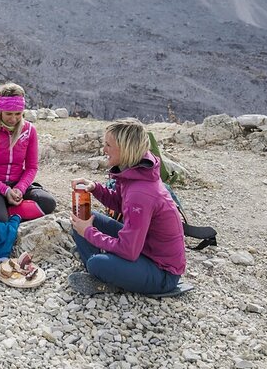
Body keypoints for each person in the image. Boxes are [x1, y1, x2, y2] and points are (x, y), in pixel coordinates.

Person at [69, 118, 187, 296]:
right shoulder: (136, 172)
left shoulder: (141, 193)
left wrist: (89, 233)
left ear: (124, 149)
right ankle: (106, 271)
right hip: (144, 249)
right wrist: (95, 188)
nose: (104, 150)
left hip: (162, 273)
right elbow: (120, 203)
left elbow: (129, 251)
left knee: (96, 261)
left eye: (108, 145)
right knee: (84, 217)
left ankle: (104, 274)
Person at [0, 83, 57, 223]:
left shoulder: (29, 131)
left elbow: (31, 167)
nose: (13, 119)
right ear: (0, 110)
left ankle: (6, 212)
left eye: (18, 114)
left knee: (48, 203)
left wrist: (20, 188)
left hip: (18, 183)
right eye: (8, 114)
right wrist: (4, 190)